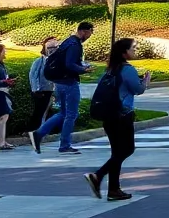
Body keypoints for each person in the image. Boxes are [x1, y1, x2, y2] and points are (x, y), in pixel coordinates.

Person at [84, 38, 150, 202]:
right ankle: (97, 176)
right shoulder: (127, 69)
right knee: (127, 149)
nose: (135, 50)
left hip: (109, 115)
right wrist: (146, 81)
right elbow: (138, 89)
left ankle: (113, 189)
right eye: (133, 48)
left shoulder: (111, 69)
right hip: (122, 115)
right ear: (124, 52)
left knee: (117, 153)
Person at [29, 21, 94, 155]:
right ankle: (64, 145)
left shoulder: (67, 42)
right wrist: (83, 69)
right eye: (90, 32)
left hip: (59, 82)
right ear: (83, 31)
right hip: (69, 83)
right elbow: (70, 64)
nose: (90, 36)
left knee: (63, 113)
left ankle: (39, 134)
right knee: (71, 114)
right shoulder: (75, 45)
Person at [27, 37, 58, 133]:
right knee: (39, 111)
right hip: (41, 90)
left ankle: (43, 130)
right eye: (49, 44)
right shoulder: (39, 61)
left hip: (51, 90)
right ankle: (32, 130)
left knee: (47, 111)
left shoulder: (56, 61)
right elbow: (33, 76)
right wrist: (35, 89)